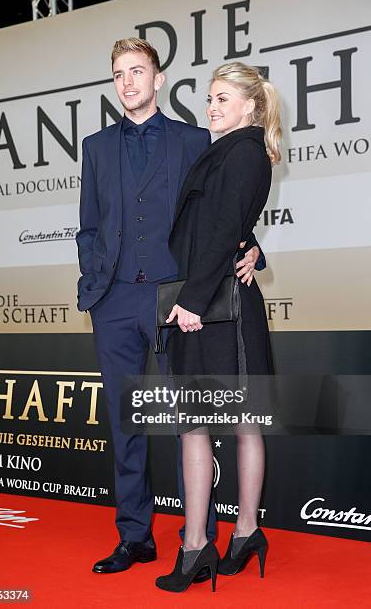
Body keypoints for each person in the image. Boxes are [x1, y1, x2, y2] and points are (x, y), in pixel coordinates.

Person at [76, 38, 264, 576]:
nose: (128, 82)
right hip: (114, 301)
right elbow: (88, 224)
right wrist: (95, 278)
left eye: (137, 71)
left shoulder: (195, 139)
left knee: (190, 424)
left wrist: (253, 246)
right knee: (126, 423)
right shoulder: (94, 147)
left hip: (179, 301)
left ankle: (193, 537)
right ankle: (134, 536)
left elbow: (226, 213)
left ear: (159, 79)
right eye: (119, 74)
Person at [155, 62, 282, 593]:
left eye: (223, 98)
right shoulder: (232, 149)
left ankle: (223, 539)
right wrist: (255, 247)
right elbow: (232, 229)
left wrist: (190, 302)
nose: (211, 106)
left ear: (250, 106)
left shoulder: (246, 150)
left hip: (216, 308)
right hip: (215, 300)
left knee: (227, 423)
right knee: (204, 423)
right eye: (209, 98)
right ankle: (209, 541)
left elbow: (225, 228)